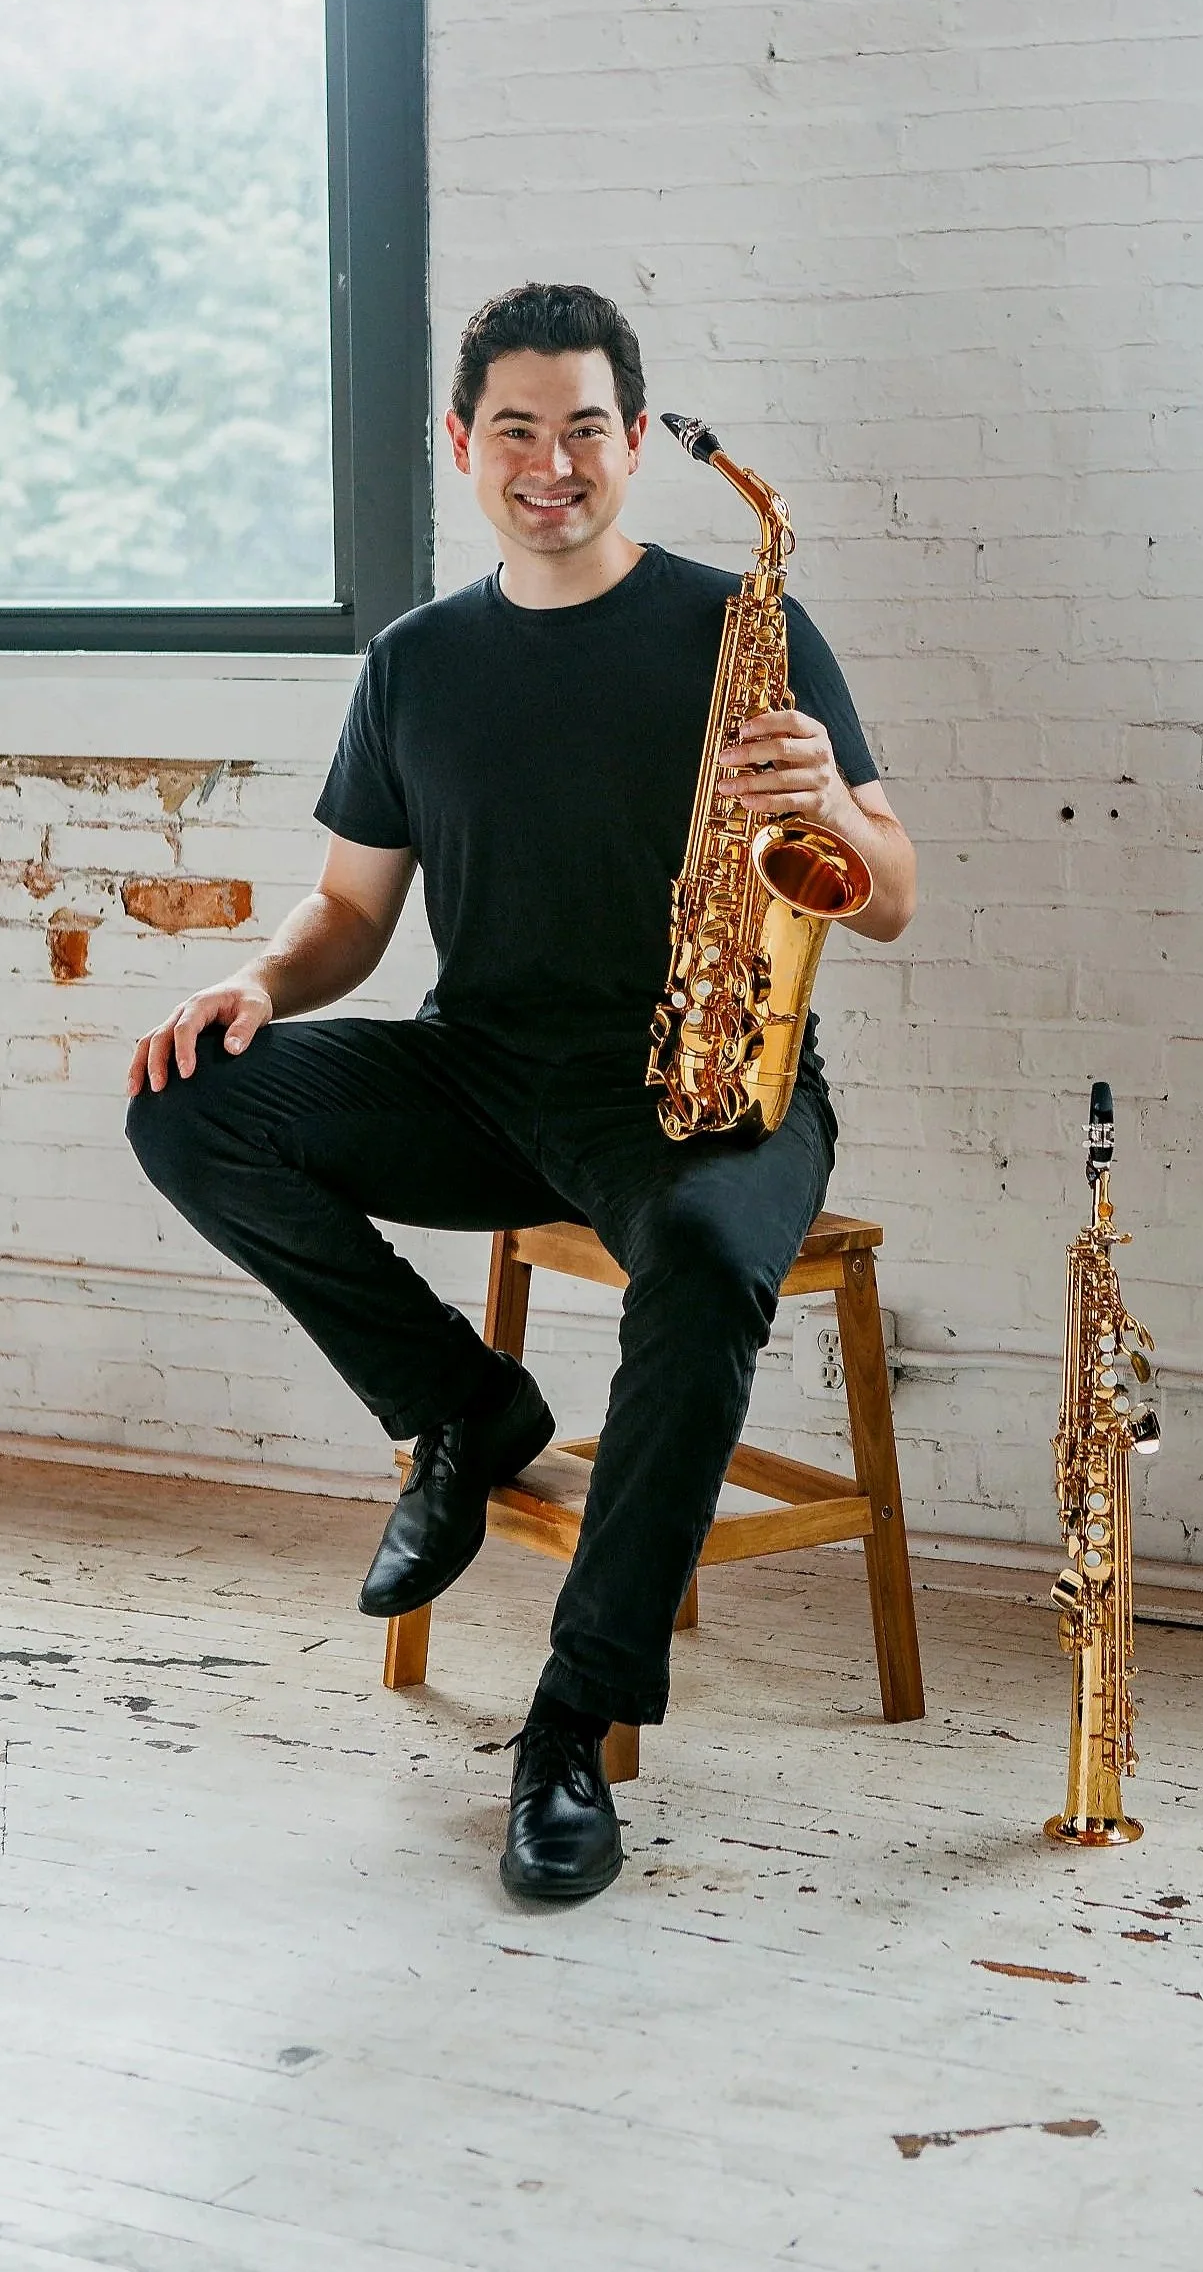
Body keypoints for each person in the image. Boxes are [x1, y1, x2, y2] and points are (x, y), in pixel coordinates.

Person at [125, 283, 916, 1904]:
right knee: (189, 1101)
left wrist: (827, 797)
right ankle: (462, 1407)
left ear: (634, 442)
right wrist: (257, 985)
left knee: (698, 1270)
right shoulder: (415, 660)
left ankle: (572, 1718)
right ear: (461, 447)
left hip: (708, 1083)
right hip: (485, 1067)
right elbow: (351, 911)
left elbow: (892, 892)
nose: (550, 463)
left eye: (584, 430)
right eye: (515, 431)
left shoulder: (740, 629)